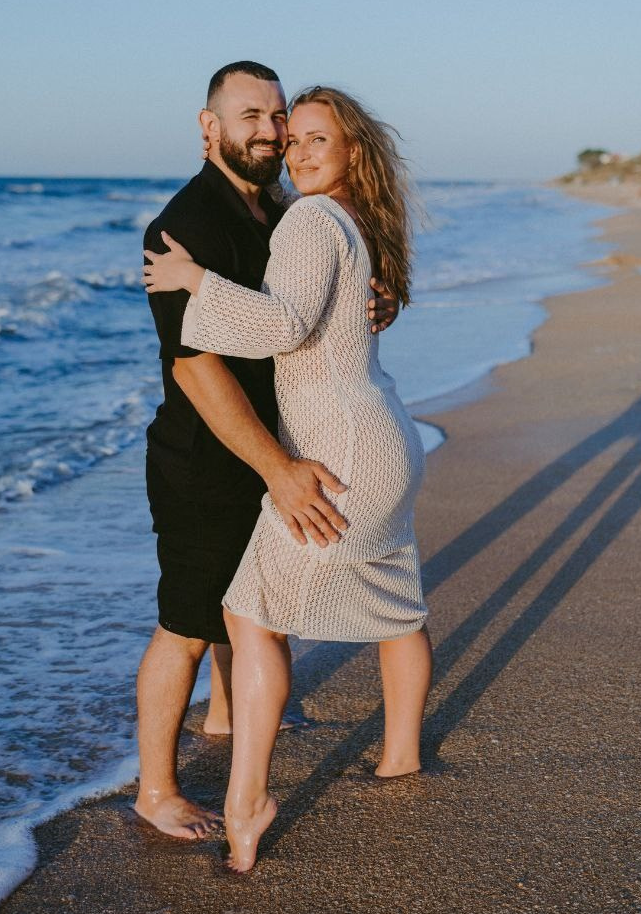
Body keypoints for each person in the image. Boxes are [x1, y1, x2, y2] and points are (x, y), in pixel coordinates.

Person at [144, 86, 433, 870]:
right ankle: (400, 755)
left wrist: (193, 282)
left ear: (351, 153)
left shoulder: (303, 216)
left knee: (248, 617)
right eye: (285, 135)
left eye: (312, 139)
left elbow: (282, 324)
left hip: (332, 449)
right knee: (395, 600)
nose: (293, 149)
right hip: (386, 438)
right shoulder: (354, 217)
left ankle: (244, 799)